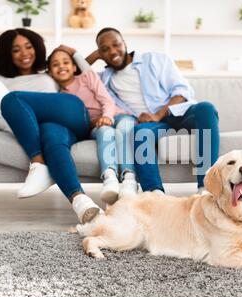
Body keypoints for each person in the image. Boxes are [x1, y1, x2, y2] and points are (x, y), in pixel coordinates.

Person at [0, 28, 102, 224]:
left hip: (73, 113)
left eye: (28, 47)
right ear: (6, 54)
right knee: (51, 136)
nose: (25, 53)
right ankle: (81, 202)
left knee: (11, 100)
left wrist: (76, 53)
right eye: (16, 50)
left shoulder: (49, 73)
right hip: (52, 129)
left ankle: (38, 162)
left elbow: (87, 74)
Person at [79, 27, 220, 195]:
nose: (112, 51)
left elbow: (182, 90)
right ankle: (154, 194)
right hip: (151, 125)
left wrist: (158, 114)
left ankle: (206, 188)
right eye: (105, 49)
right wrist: (96, 55)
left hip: (177, 114)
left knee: (206, 108)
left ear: (125, 43)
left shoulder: (155, 59)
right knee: (138, 132)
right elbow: (76, 74)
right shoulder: (104, 78)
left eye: (116, 45)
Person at [47, 47, 139, 204]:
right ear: (49, 72)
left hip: (117, 114)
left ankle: (129, 179)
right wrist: (97, 123)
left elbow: (106, 100)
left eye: (66, 62)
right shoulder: (59, 97)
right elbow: (76, 122)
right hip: (96, 124)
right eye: (55, 64)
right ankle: (110, 178)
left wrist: (107, 116)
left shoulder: (87, 77)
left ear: (74, 67)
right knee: (105, 132)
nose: (61, 66)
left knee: (124, 129)